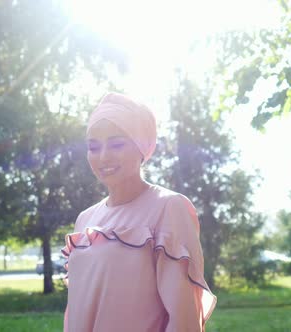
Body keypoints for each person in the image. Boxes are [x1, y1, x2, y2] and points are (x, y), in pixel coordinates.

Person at [61, 92, 216, 332]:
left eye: (117, 144)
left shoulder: (168, 207)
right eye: (94, 147)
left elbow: (183, 320)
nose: (104, 156)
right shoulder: (85, 219)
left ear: (141, 146)